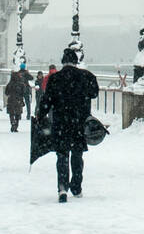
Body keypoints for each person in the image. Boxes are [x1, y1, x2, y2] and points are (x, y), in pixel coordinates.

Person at [37, 48, 100, 202]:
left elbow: (47, 100)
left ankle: (62, 188)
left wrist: (40, 115)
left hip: (61, 123)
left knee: (62, 156)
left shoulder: (55, 78)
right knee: (77, 156)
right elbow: (94, 93)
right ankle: (76, 187)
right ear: (76, 61)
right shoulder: (86, 76)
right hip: (79, 123)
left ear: (63, 62)